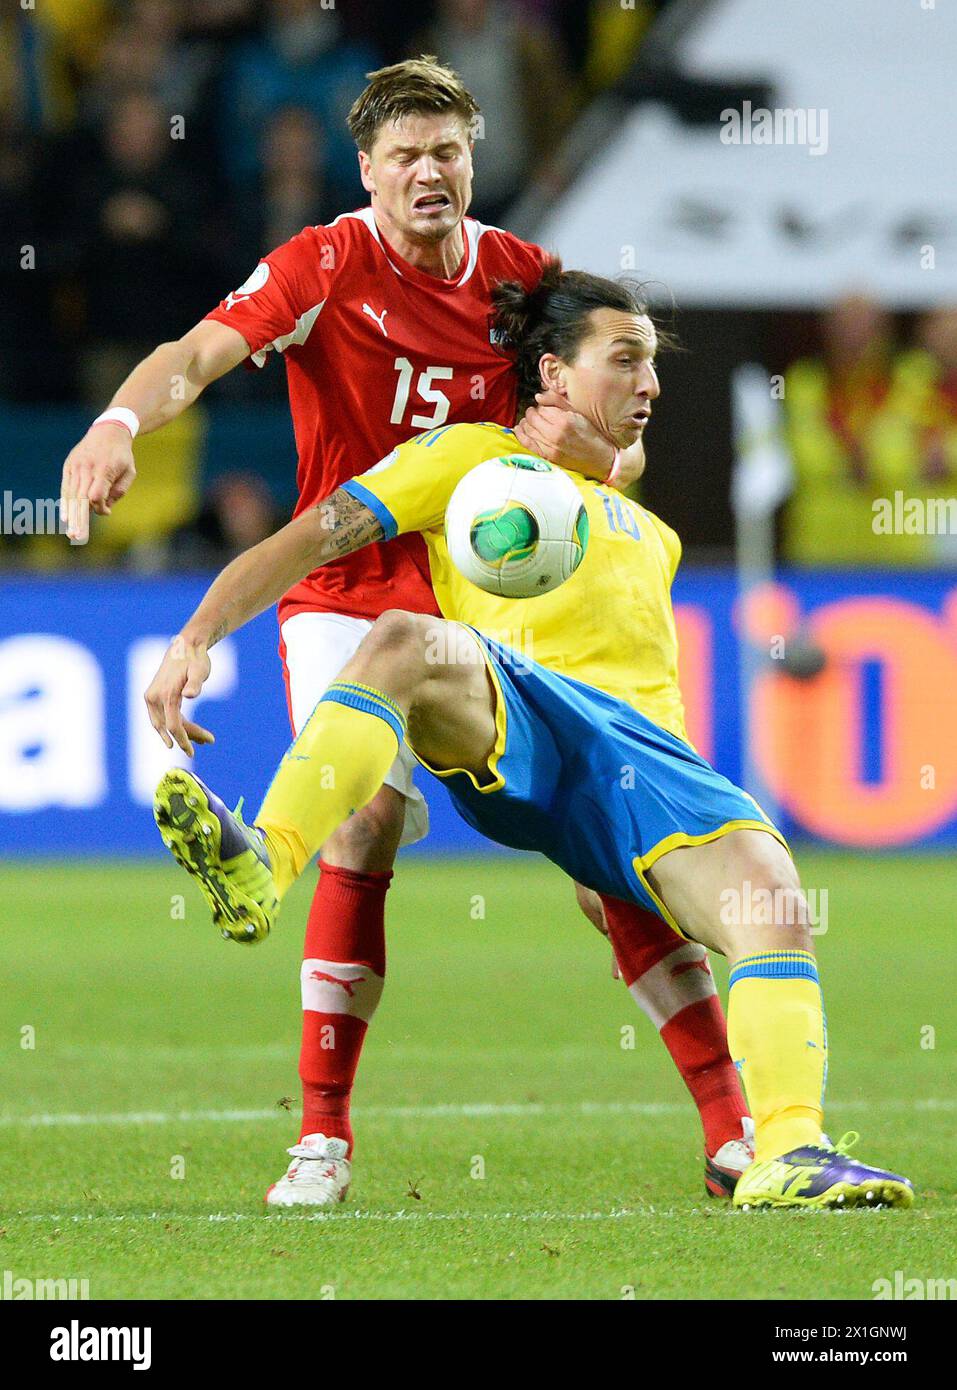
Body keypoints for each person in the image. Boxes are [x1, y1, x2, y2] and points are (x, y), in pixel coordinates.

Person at [60, 56, 750, 1206]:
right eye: (405, 157)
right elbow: (197, 354)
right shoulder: (324, 264)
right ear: (367, 171)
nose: (429, 172)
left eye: (447, 152)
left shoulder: (527, 280)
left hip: (489, 598)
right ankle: (320, 1140)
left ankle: (734, 1133)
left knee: (605, 863)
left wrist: (608, 456)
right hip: (345, 582)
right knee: (367, 817)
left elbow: (606, 420)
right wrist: (121, 419)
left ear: (472, 159)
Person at [146, 264, 913, 1212]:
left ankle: (784, 1152)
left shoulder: (641, 520)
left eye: (652, 365)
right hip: (513, 711)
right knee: (401, 640)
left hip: (638, 761)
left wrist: (621, 875)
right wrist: (194, 640)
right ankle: (268, 857)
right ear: (551, 375)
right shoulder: (467, 459)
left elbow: (617, 504)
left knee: (772, 901)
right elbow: (308, 541)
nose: (650, 384)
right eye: (623, 360)